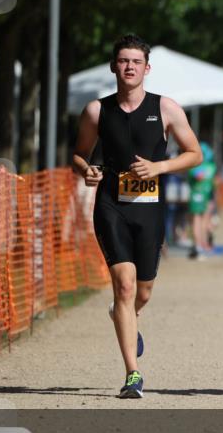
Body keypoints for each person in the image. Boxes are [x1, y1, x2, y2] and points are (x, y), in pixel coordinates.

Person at [72, 34, 201, 398]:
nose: (129, 67)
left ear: (147, 68)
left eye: (135, 61)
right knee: (124, 285)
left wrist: (159, 166)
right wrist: (87, 170)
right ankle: (133, 374)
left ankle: (123, 315)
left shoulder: (166, 108)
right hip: (111, 205)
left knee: (142, 291)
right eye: (123, 61)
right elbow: (79, 155)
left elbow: (194, 154)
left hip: (150, 209)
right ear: (114, 66)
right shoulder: (97, 110)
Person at [188, 142, 217, 260]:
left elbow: (194, 176)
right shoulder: (211, 167)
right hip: (208, 196)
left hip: (197, 195)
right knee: (204, 221)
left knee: (197, 221)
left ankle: (199, 246)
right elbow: (214, 183)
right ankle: (204, 244)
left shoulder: (195, 166)